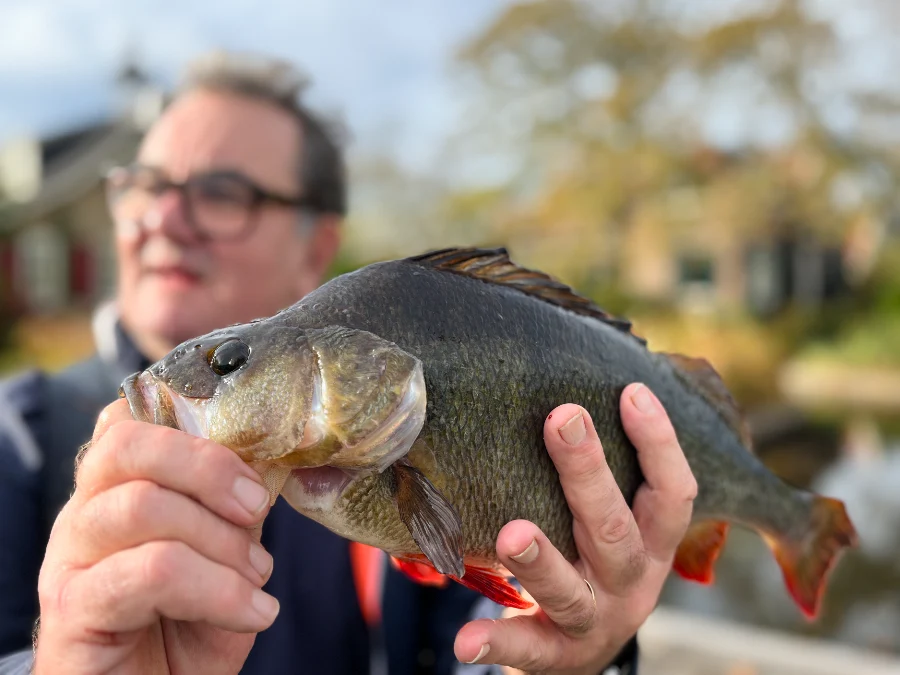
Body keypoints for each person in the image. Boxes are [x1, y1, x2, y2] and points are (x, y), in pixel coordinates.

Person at [0, 50, 697, 675]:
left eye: (220, 193)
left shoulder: (373, 438)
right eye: (145, 185)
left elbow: (481, 648)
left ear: (316, 247)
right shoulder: (17, 443)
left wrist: (580, 659)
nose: (164, 217)